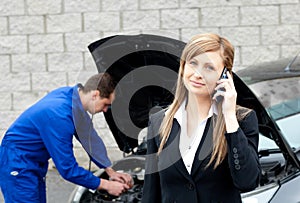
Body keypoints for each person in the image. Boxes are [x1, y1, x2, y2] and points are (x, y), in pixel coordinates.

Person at [142, 33, 260, 203]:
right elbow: (151, 193)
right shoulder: (159, 121)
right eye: (193, 63)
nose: (198, 74)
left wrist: (229, 117)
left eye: (209, 68)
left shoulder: (241, 120)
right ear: (183, 66)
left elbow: (247, 181)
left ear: (225, 75)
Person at [0, 73, 133, 203]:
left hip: (34, 162)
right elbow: (68, 169)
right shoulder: (59, 116)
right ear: (95, 95)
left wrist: (110, 171)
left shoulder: (74, 98)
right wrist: (106, 185)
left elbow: (90, 139)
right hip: (17, 162)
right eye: (105, 104)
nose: (105, 110)